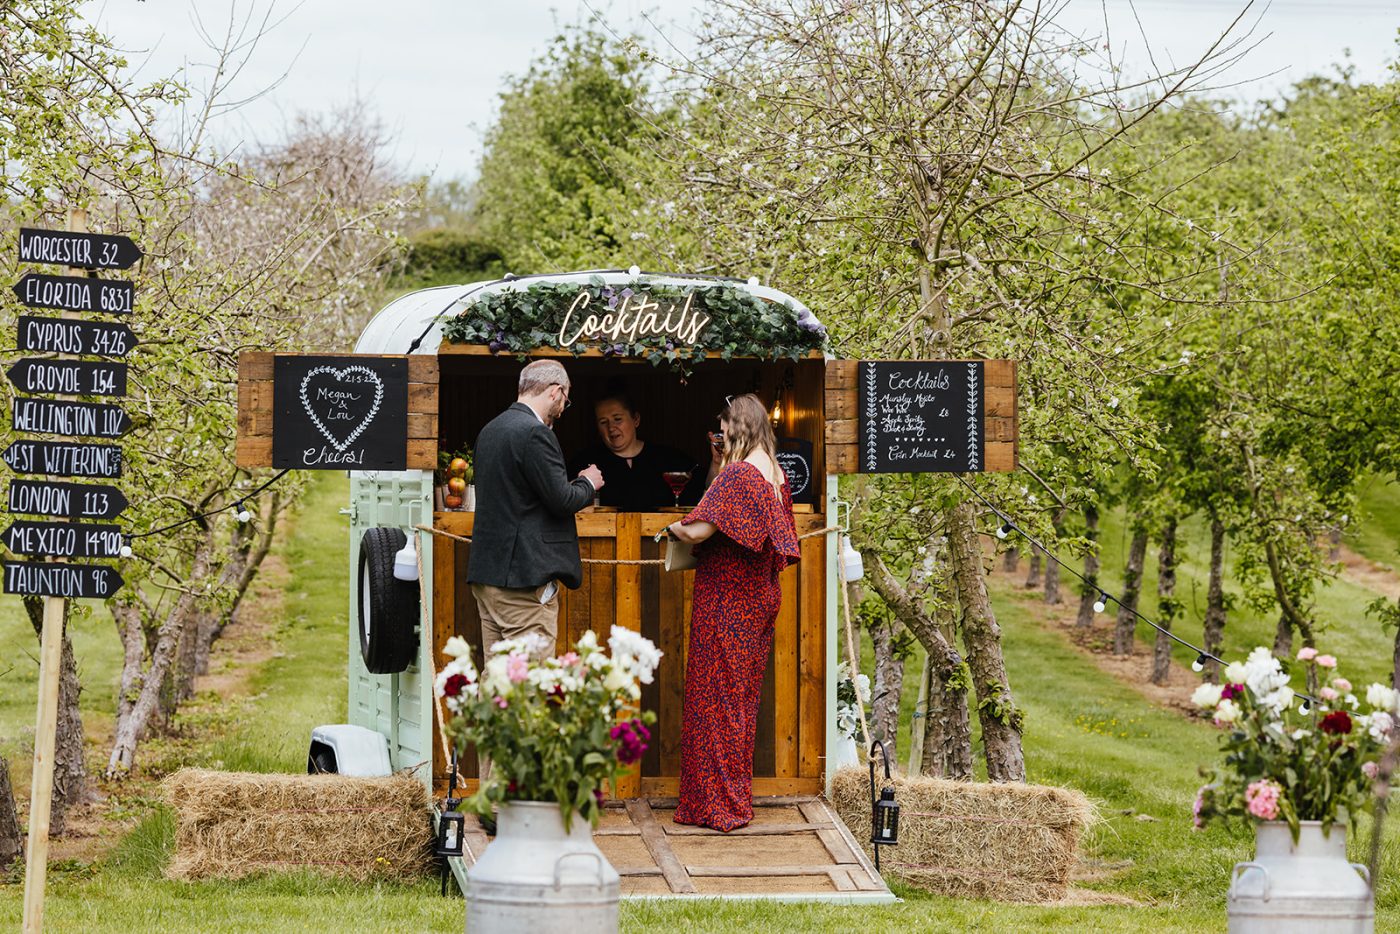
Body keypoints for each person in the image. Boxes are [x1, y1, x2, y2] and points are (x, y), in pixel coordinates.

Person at [662, 393, 800, 832]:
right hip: (759, 598)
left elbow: (701, 527)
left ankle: (714, 807)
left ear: (737, 427)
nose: (719, 435)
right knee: (738, 703)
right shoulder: (775, 475)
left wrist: (670, 529)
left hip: (728, 600)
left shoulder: (739, 475)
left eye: (723, 428)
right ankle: (735, 800)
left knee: (714, 701)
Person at [467, 359, 604, 656]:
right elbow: (562, 500)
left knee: (500, 682)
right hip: (523, 582)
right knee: (530, 684)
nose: (563, 409)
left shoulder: (489, 430)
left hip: (487, 574)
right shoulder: (535, 433)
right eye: (566, 401)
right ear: (555, 392)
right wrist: (588, 483)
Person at [567, 388, 706, 511]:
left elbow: (705, 493)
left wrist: (717, 463)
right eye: (603, 422)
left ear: (636, 420)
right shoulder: (585, 462)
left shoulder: (668, 458)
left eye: (617, 419)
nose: (611, 427)